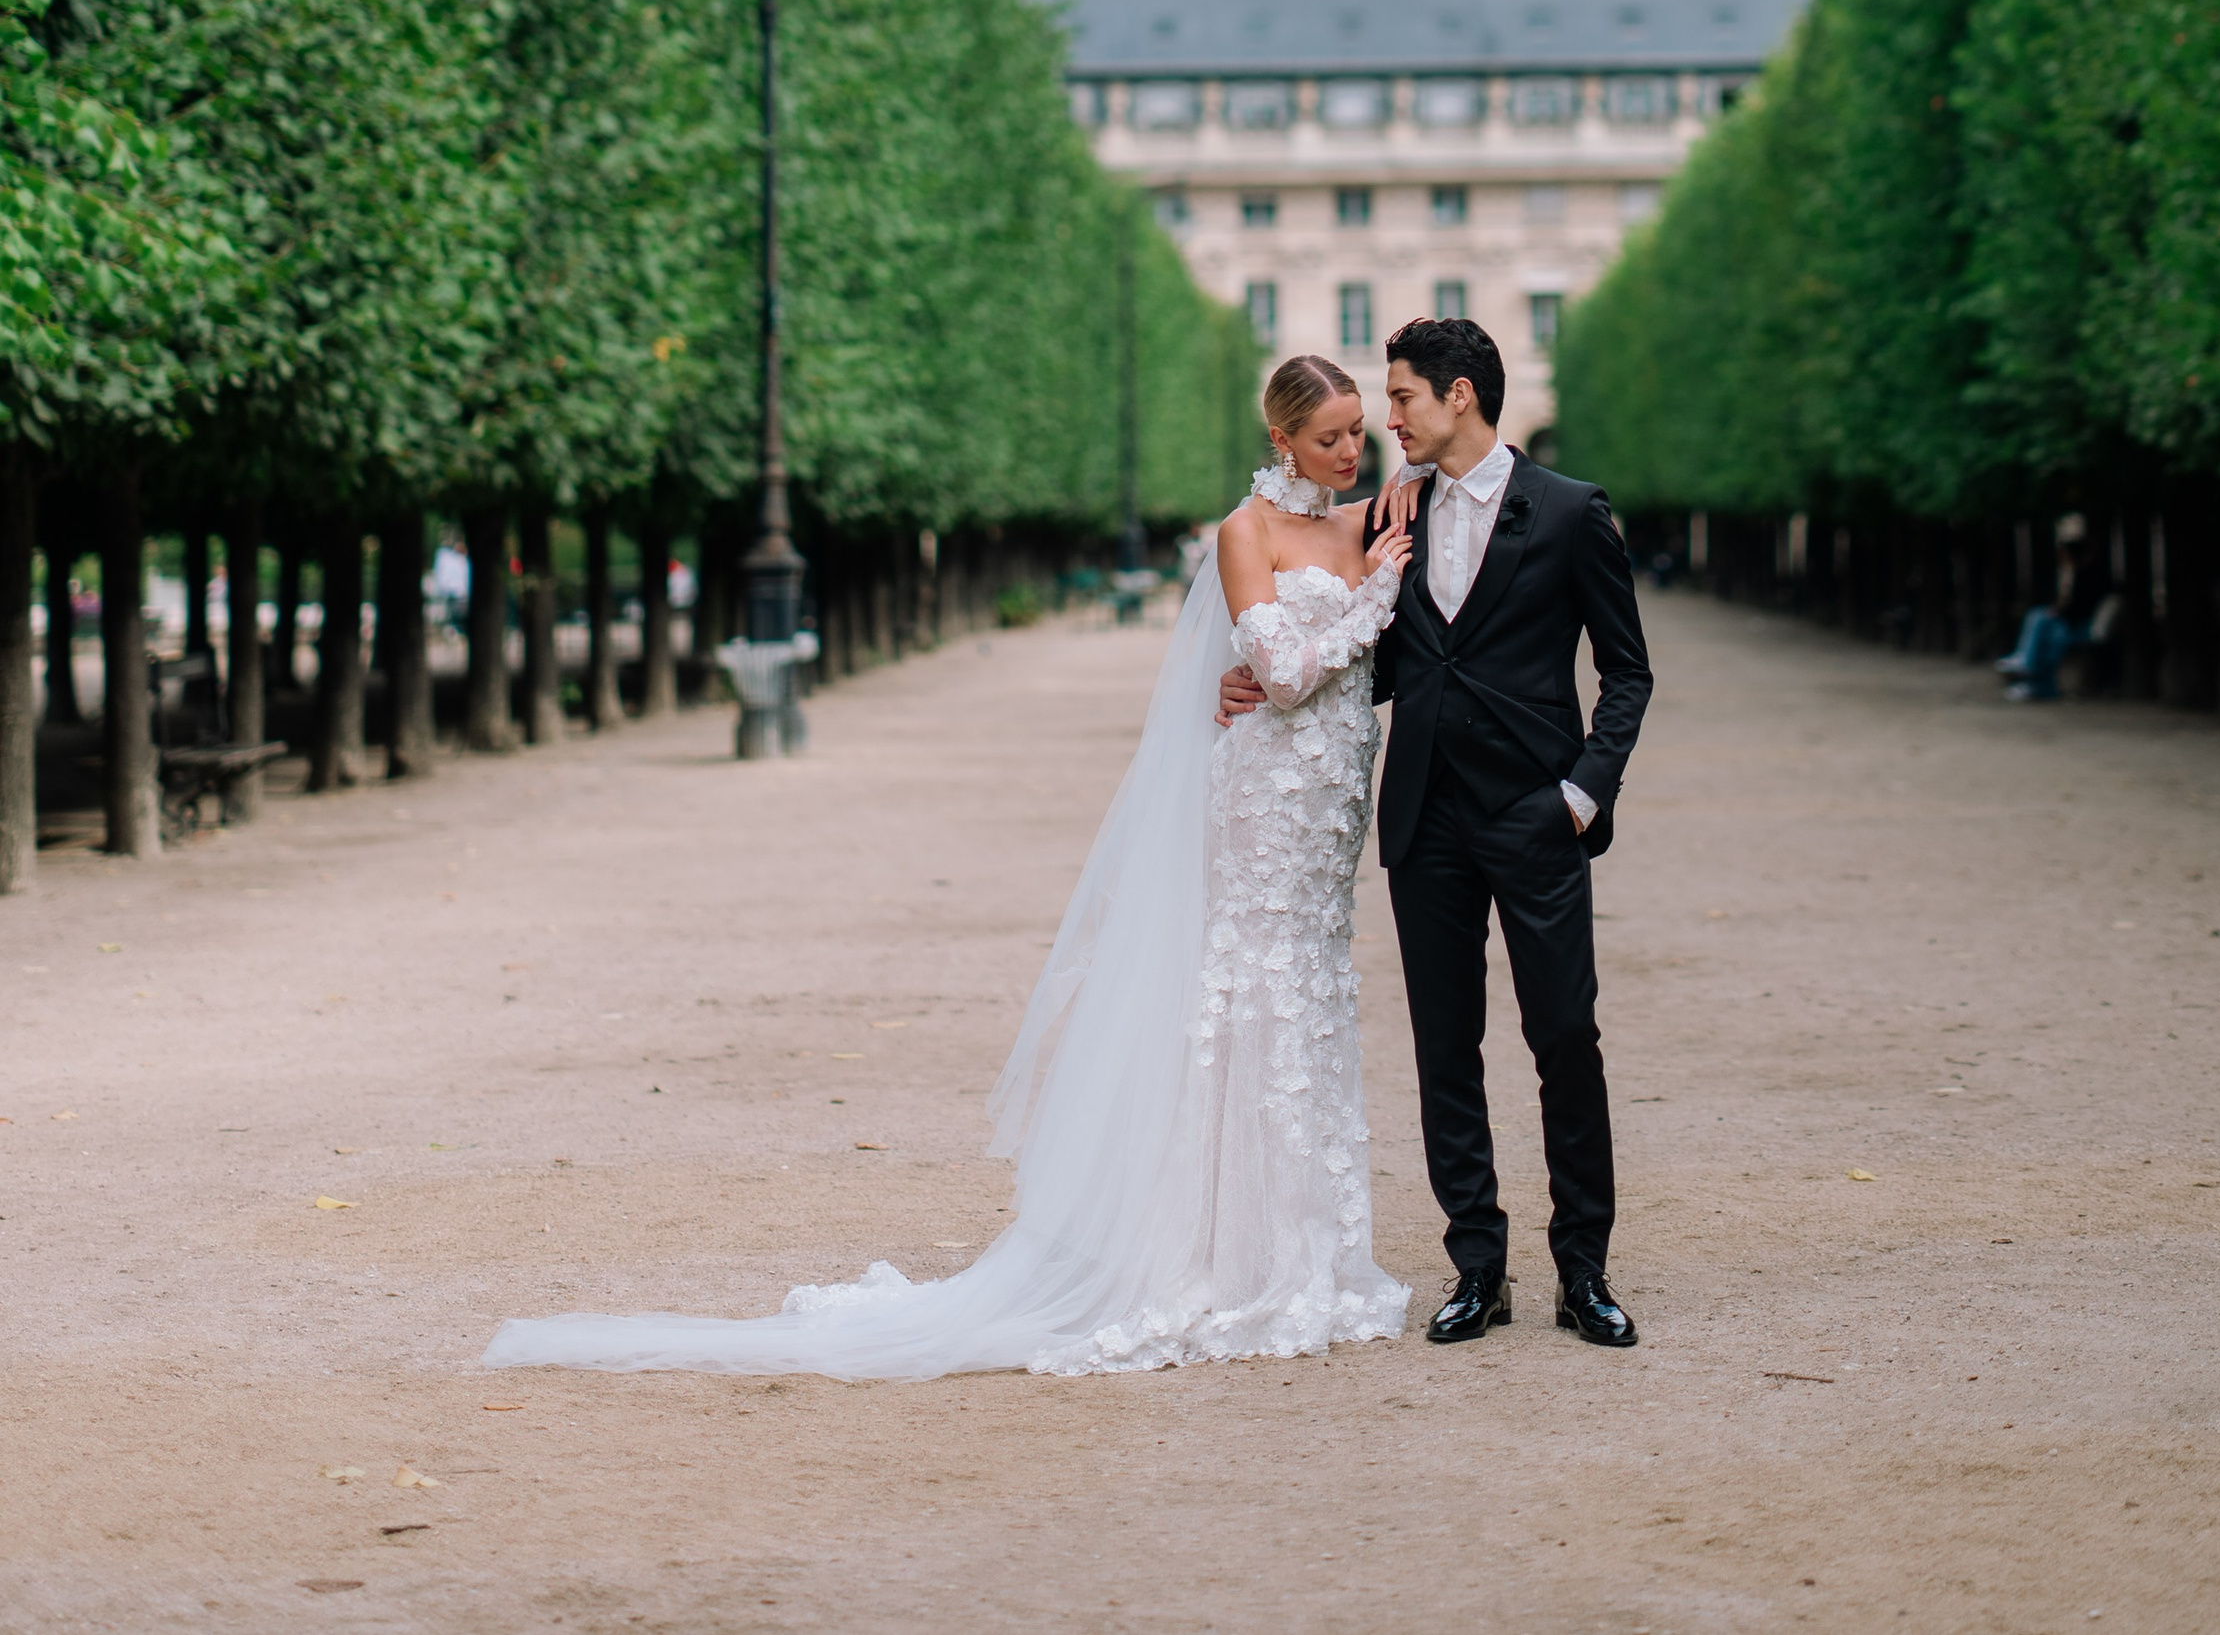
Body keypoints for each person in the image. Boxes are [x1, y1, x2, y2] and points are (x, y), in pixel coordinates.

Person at [481, 354, 1410, 1382]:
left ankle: (1297, 1244)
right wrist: (1378, 593)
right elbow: (1277, 672)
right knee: (1245, 994)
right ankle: (1214, 1250)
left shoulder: (1368, 515)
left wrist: (1377, 567)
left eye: (1358, 430)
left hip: (1326, 809)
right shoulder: (1248, 531)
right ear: (1282, 436)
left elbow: (1420, 517)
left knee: (1310, 998)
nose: (1349, 449)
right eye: (1330, 435)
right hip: (1261, 801)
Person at [1219, 314, 1653, 1349]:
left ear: (1459, 394)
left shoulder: (1568, 511)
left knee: (1563, 1038)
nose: (1387, 421)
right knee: (1443, 1047)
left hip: (1537, 814)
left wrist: (1582, 793)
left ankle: (1582, 1269)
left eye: (1401, 396)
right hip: (1425, 815)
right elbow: (1354, 651)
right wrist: (1249, 679)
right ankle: (1478, 1265)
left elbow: (1627, 670)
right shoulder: (1385, 521)